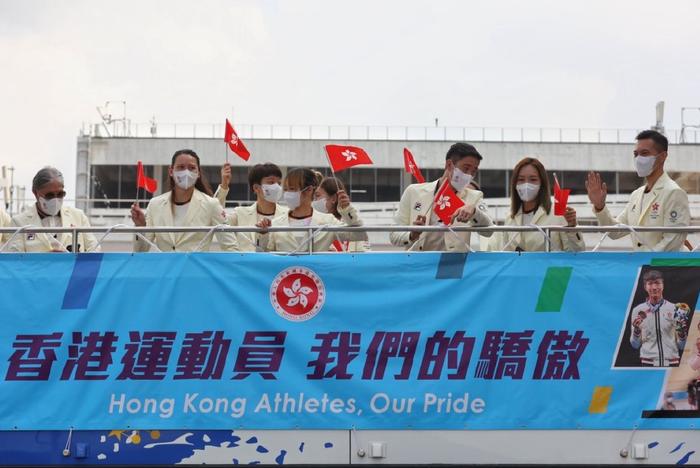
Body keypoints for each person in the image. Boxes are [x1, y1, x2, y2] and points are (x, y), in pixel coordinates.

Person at [586, 130, 690, 251]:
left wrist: (645, 261)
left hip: (662, 267)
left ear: (662, 156)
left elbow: (672, 241)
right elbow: (615, 232)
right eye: (636, 154)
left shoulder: (674, 193)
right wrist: (600, 207)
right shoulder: (636, 195)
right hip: (643, 266)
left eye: (644, 153)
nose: (639, 159)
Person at [390, 142, 493, 251]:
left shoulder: (474, 197)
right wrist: (412, 235)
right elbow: (393, 234)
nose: (469, 175)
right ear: (449, 165)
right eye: (466, 168)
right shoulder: (413, 192)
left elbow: (489, 231)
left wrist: (474, 213)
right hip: (418, 264)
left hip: (454, 264)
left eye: (473, 171)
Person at [130, 149, 238, 252]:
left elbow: (230, 247)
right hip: (166, 270)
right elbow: (140, 251)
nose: (186, 172)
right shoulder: (155, 205)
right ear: (171, 171)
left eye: (191, 168)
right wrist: (140, 227)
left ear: (198, 173)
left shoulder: (211, 204)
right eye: (181, 167)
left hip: (195, 270)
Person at [255, 168, 367, 252]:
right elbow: (263, 255)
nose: (287, 194)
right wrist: (263, 234)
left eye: (292, 189)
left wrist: (347, 210)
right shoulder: (276, 223)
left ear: (308, 190)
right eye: (286, 189)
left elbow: (359, 235)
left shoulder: (327, 221)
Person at [488, 158, 585, 252]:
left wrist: (572, 227)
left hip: (551, 269)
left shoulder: (558, 213)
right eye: (521, 179)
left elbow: (576, 253)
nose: (526, 184)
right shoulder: (510, 218)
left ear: (542, 183)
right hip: (520, 269)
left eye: (533, 179)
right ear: (514, 184)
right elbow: (506, 255)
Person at [8, 167, 99, 253]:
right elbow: (14, 260)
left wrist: (75, 261)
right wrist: (47, 260)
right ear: (35, 193)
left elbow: (95, 249)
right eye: (49, 195)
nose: (55, 199)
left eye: (60, 194)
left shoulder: (78, 216)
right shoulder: (19, 222)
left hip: (72, 269)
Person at [215, 162, 288, 251]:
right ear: (256, 188)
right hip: (245, 264)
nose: (276, 187)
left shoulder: (287, 214)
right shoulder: (240, 213)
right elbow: (217, 216)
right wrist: (224, 186)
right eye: (271, 182)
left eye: (279, 183)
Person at [629, 270, 689, 367]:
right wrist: (636, 331)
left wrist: (682, 333)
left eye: (657, 283)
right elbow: (635, 345)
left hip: (672, 362)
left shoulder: (674, 309)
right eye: (650, 284)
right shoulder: (638, 310)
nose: (654, 287)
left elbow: (682, 346)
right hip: (647, 362)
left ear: (663, 285)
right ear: (645, 287)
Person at [314, 177, 370, 252]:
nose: (314, 201)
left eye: (317, 196)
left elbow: (362, 238)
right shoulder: (313, 224)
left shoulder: (352, 222)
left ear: (333, 199)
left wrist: (347, 209)